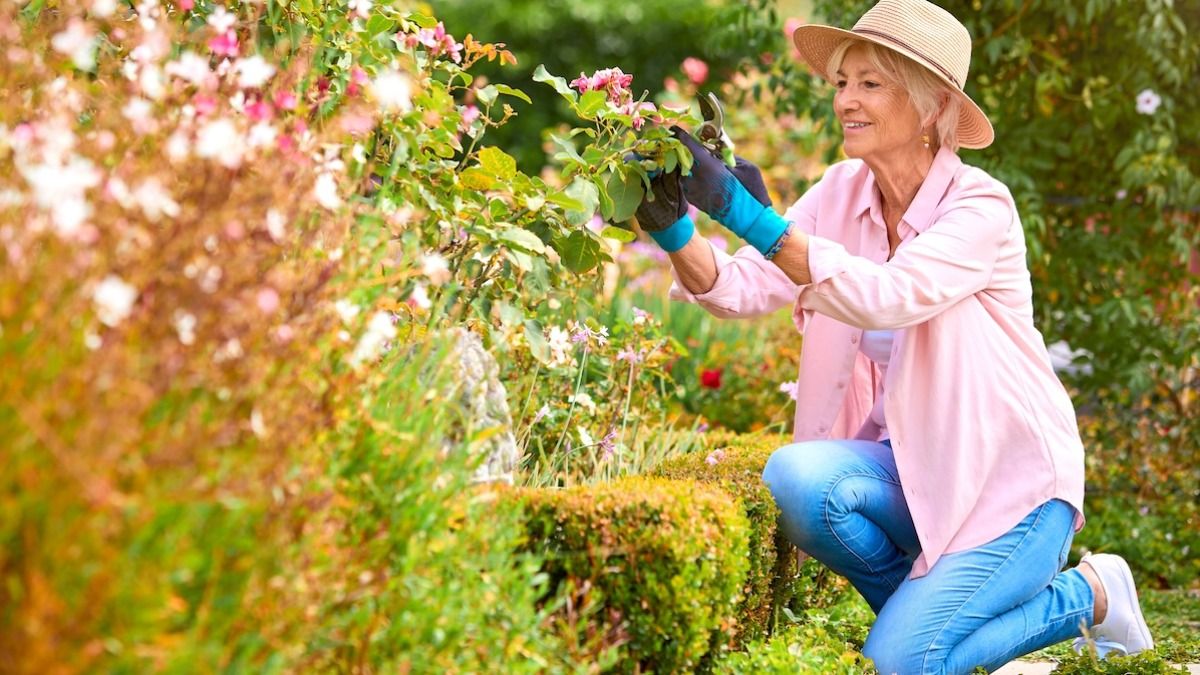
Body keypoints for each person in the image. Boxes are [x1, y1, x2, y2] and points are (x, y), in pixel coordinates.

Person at [633, 0, 1155, 672]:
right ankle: (929, 626)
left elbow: (890, 296)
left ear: (934, 105)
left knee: (899, 664)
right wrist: (674, 226)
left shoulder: (979, 207)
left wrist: (749, 216)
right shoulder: (839, 193)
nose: (845, 100)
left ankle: (1089, 593)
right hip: (915, 477)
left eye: (870, 83)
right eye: (842, 82)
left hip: (1012, 492)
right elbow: (741, 288)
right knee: (796, 477)